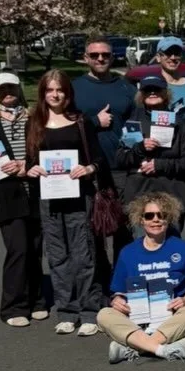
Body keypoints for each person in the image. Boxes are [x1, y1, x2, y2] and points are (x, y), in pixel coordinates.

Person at [27, 70, 106, 337]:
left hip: (78, 197)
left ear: (68, 93)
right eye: (49, 90)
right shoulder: (35, 123)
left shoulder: (81, 122)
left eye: (59, 90)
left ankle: (89, 311)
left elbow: (98, 159)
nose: (55, 95)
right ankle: (67, 311)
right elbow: (29, 162)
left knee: (84, 256)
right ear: (43, 93)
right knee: (58, 256)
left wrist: (87, 169)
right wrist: (32, 170)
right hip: (49, 200)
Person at [0, 71, 47, 327]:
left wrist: (27, 166)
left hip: (36, 192)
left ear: (19, 90)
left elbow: (44, 150)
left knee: (36, 250)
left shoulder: (35, 118)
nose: (8, 94)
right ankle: (13, 306)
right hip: (9, 195)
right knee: (18, 250)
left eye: (12, 88)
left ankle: (37, 300)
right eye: (2, 90)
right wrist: (11, 169)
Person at [98, 192, 185, 363]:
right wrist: (117, 300)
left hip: (172, 315)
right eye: (149, 216)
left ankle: (134, 347)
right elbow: (118, 291)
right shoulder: (127, 252)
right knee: (104, 314)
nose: (155, 220)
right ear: (141, 220)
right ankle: (163, 349)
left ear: (168, 219)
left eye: (161, 215)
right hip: (137, 317)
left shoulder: (183, 248)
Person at [72, 34, 137, 269]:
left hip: (121, 168)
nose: (101, 59)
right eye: (95, 55)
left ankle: (122, 278)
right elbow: (64, 124)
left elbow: (135, 123)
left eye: (105, 55)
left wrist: (133, 153)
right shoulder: (74, 88)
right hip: (87, 168)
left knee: (123, 226)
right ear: (85, 58)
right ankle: (100, 279)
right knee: (93, 227)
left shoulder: (125, 87)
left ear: (113, 56)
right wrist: (94, 122)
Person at [114, 76, 185, 240]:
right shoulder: (133, 123)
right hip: (141, 196)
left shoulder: (179, 124)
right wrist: (140, 148)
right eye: (147, 90)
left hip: (171, 196)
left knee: (171, 246)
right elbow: (121, 159)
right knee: (143, 246)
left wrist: (159, 165)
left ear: (166, 93)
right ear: (141, 94)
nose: (152, 93)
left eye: (157, 89)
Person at [154, 36, 185, 126]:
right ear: (158, 57)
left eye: (177, 53)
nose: (173, 58)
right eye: (168, 53)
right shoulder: (151, 88)